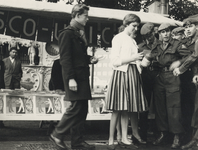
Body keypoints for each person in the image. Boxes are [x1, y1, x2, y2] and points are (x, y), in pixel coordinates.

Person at [49, 4, 100, 150]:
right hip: (75, 78)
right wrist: (71, 78)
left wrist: (90, 59)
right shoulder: (67, 33)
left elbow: (78, 56)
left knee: (82, 109)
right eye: (86, 16)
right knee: (76, 107)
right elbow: (65, 58)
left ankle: (77, 142)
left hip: (81, 76)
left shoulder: (78, 32)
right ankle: (57, 134)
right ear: (77, 15)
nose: (87, 18)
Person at [141, 23, 190, 149]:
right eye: (163, 32)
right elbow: (149, 56)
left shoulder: (177, 44)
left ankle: (176, 136)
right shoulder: (157, 45)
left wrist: (178, 62)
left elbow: (190, 55)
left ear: (170, 32)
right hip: (160, 77)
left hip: (172, 76)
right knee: (160, 107)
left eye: (167, 31)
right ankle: (163, 134)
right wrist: (147, 58)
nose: (166, 34)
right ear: (159, 34)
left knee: (174, 107)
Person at [105, 13, 147, 150]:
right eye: (134, 26)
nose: (136, 29)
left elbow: (133, 59)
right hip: (122, 73)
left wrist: (140, 61)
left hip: (132, 73)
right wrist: (133, 57)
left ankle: (124, 137)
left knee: (126, 109)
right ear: (126, 24)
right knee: (118, 108)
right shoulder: (118, 38)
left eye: (137, 26)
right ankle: (111, 138)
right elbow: (115, 61)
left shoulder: (132, 40)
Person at [172, 18, 198, 144]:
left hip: (192, 76)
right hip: (189, 78)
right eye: (186, 27)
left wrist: (180, 67)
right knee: (189, 107)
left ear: (197, 27)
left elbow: (194, 56)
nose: (187, 29)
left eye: (190, 26)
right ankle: (190, 138)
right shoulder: (188, 40)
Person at [137, 22, 160, 142]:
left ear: (154, 33)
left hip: (158, 76)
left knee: (158, 106)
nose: (148, 38)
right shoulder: (140, 46)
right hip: (145, 77)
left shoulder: (161, 45)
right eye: (145, 36)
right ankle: (142, 134)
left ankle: (158, 134)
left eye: (150, 34)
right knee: (144, 106)